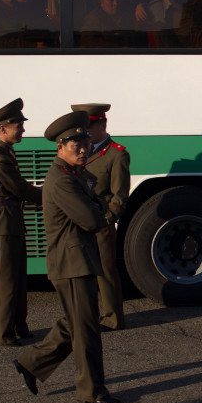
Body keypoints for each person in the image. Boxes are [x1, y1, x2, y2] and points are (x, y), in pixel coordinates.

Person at [12, 111, 120, 403]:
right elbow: (90, 218)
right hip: (71, 263)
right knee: (86, 330)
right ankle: (92, 390)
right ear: (60, 148)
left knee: (77, 322)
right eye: (76, 146)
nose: (83, 149)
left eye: (85, 143)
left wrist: (98, 209)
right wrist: (100, 212)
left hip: (78, 259)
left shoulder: (75, 174)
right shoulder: (61, 179)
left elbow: (95, 205)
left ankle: (31, 363)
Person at [0, 98, 42, 346]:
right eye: (19, 125)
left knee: (17, 277)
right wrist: (50, 195)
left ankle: (18, 326)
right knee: (5, 280)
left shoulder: (5, 153)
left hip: (10, 221)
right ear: (4, 128)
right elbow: (18, 188)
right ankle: (2, 333)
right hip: (3, 223)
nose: (23, 130)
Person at [71, 102, 129, 331]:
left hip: (101, 219)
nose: (86, 133)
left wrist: (110, 217)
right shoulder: (80, 149)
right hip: (80, 218)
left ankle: (113, 318)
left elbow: (120, 194)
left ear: (103, 124)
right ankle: (90, 315)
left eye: (90, 127)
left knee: (106, 271)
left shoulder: (116, 154)